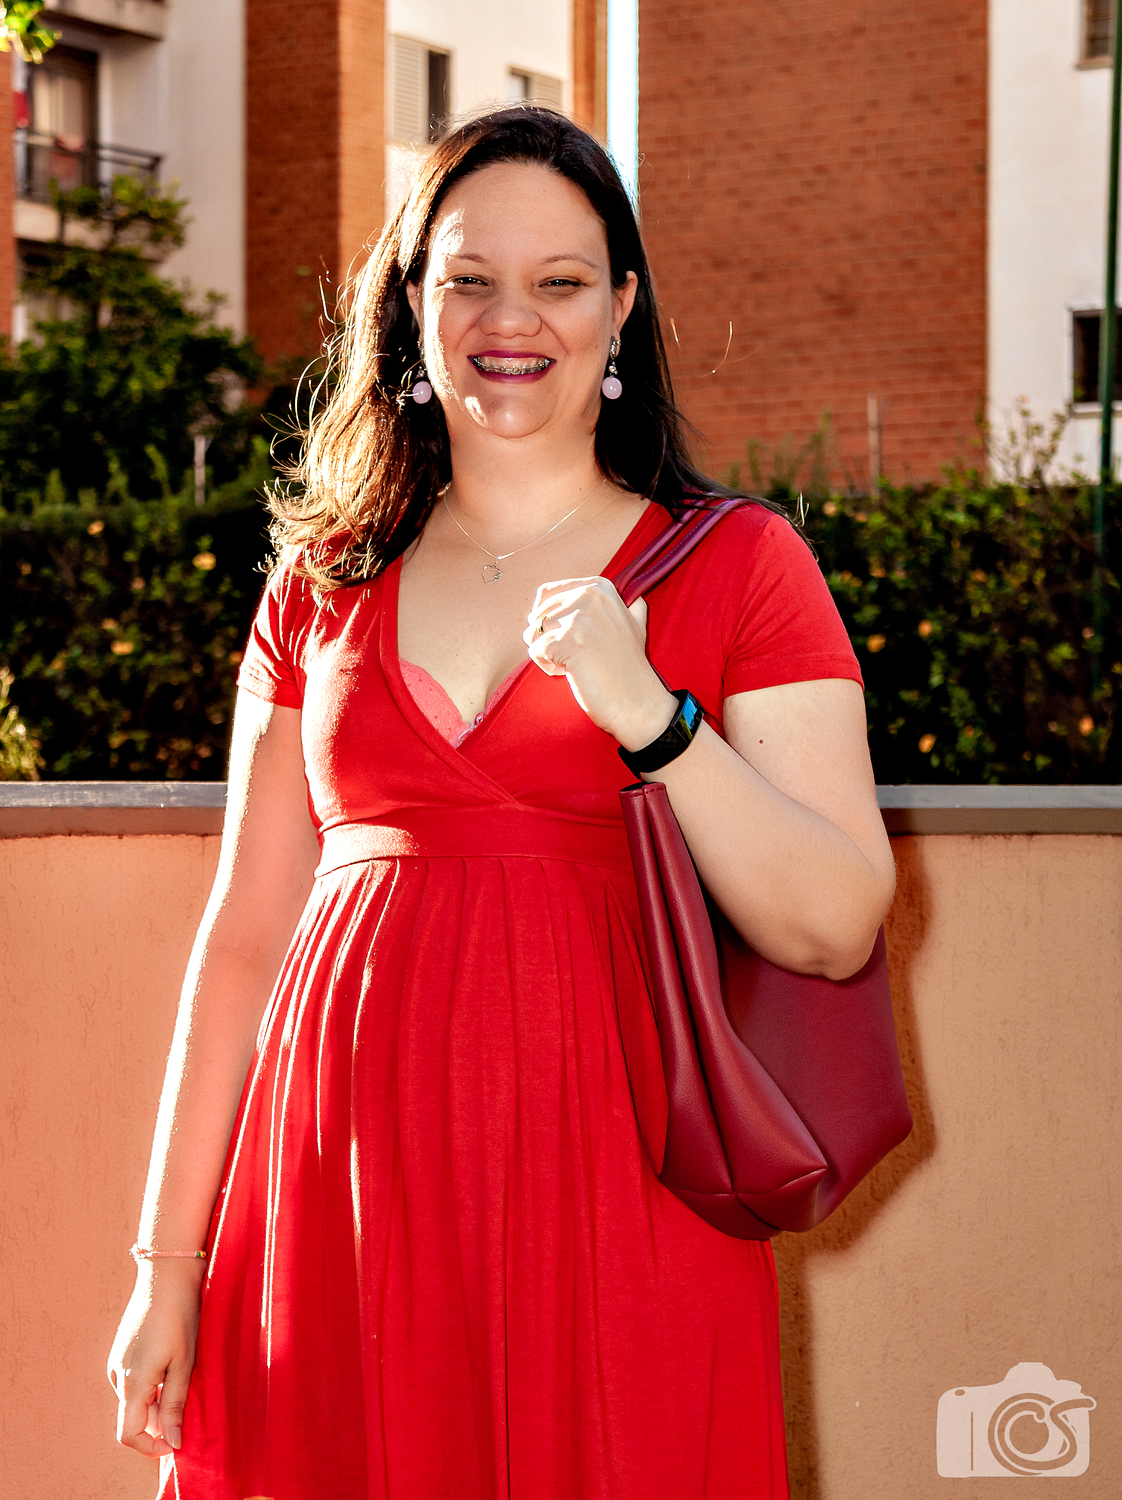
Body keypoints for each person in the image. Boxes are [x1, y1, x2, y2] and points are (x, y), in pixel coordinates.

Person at [108, 106, 895, 1500]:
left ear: (622, 308)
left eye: (560, 280)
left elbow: (837, 921)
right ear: (410, 305)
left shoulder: (742, 567)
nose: (508, 318)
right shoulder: (323, 582)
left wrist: (652, 718)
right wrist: (169, 1265)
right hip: (338, 1200)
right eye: (467, 278)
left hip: (622, 1200)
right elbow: (242, 938)